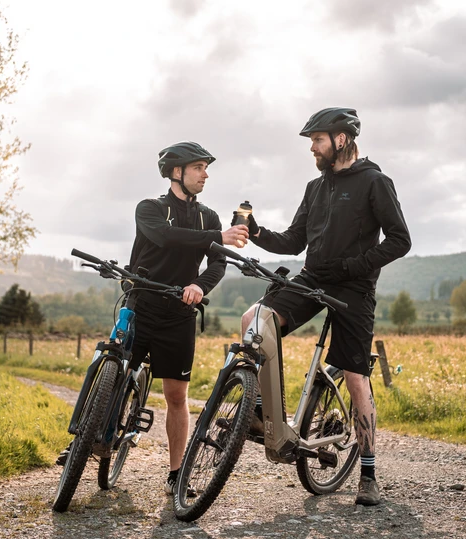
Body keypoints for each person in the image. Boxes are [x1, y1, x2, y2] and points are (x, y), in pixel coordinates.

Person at [236, 108, 411, 506]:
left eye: (317, 140)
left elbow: (400, 240)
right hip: (313, 278)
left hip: (354, 288)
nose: (312, 148)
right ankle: (261, 414)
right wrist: (257, 231)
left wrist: (353, 266)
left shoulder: (375, 182)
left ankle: (368, 473)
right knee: (254, 320)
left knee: (355, 376)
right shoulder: (315, 187)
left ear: (341, 139)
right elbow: (294, 240)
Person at [57, 142, 249, 497]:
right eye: (199, 167)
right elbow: (165, 236)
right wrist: (216, 238)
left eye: (206, 168)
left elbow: (218, 262)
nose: (205, 174)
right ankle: (82, 438)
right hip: (141, 302)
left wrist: (199, 285)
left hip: (179, 312)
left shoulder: (208, 217)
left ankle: (176, 474)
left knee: (176, 395)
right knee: (113, 368)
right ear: (177, 171)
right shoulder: (150, 208)